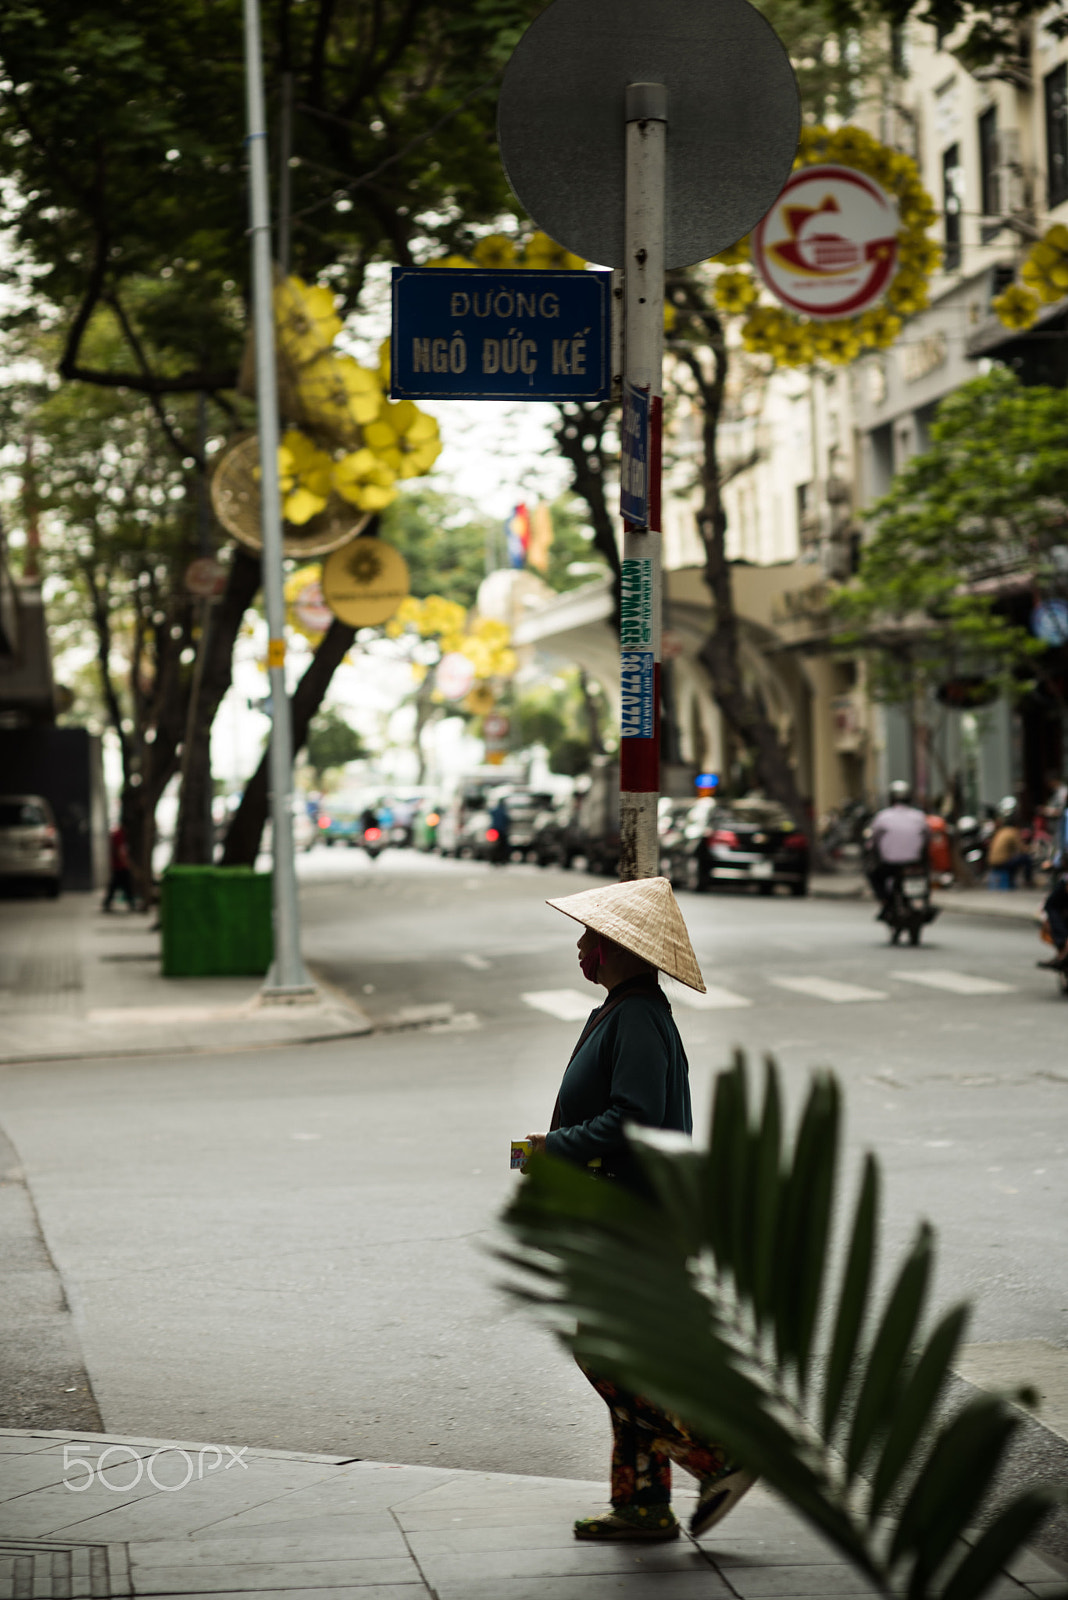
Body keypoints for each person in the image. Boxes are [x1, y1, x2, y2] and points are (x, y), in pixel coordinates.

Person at [525, 876, 753, 1545]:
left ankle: (716, 1454)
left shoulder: (638, 1018)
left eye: (589, 937)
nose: (579, 947)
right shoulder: (622, 1010)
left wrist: (545, 1150)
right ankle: (643, 1504)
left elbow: (634, 1119)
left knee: (602, 1352)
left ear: (618, 947)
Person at [868, 780, 929, 913]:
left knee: (873, 874)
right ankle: (925, 900)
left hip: (891, 863)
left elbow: (873, 841)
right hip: (914, 863)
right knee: (926, 874)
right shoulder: (919, 816)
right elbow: (926, 838)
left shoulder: (883, 816)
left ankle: (884, 901)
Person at [987, 797, 1033, 888]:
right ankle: (1028, 881)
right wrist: (1031, 849)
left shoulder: (1001, 831)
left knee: (1013, 860)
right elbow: (1022, 849)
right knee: (1026, 858)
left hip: (992, 862)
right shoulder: (1013, 832)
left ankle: (1011, 882)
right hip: (1002, 863)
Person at [102, 823, 134, 912]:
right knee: (125, 885)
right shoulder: (119, 835)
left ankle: (107, 902)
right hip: (120, 865)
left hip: (118, 865)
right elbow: (119, 850)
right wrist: (126, 862)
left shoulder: (117, 834)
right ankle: (131, 903)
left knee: (116, 885)